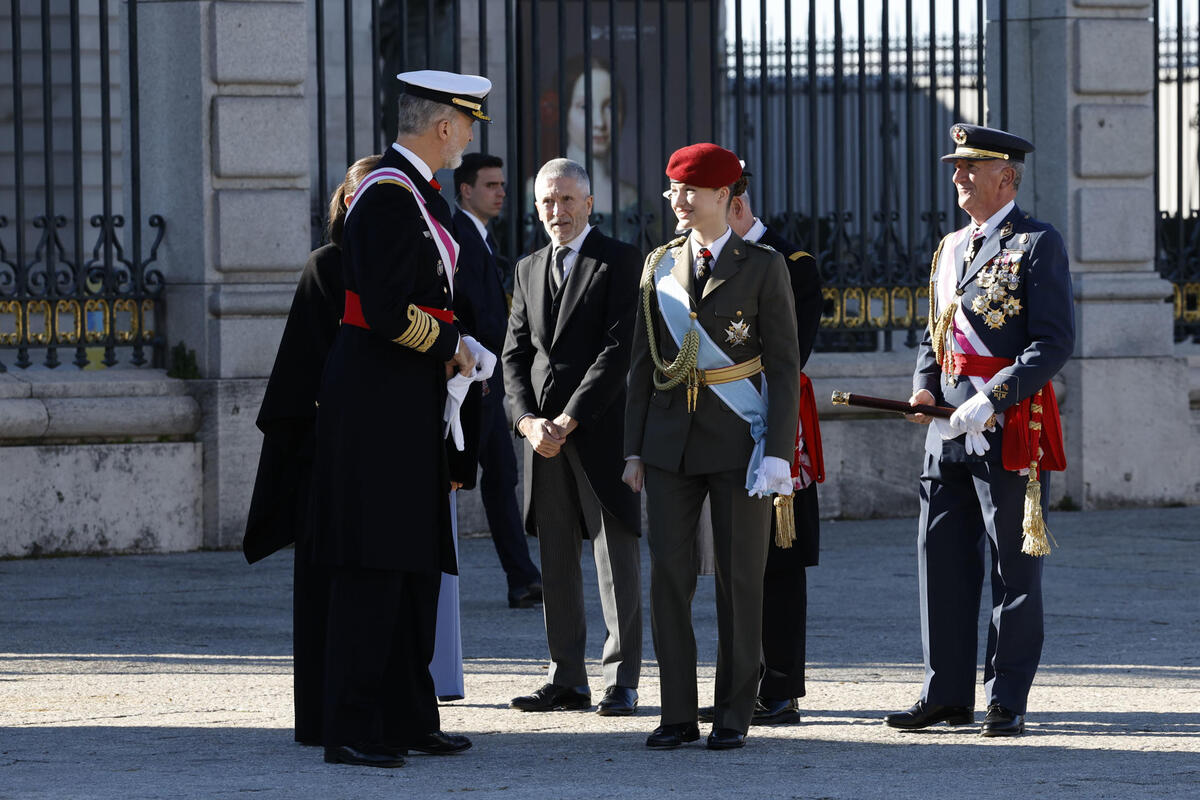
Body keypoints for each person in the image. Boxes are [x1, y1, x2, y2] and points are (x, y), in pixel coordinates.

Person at [308, 69, 491, 769]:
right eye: (466, 123)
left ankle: (410, 714)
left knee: (414, 564)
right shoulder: (387, 195)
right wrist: (452, 344)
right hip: (377, 406)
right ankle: (352, 726)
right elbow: (383, 311)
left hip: (406, 404)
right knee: (373, 567)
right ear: (444, 124)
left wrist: (457, 341)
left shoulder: (414, 193)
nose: (469, 136)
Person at [886, 123, 1073, 738]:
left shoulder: (1037, 243)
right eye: (957, 167)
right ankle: (944, 693)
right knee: (940, 559)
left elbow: (1052, 343)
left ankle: (1005, 697)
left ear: (1007, 177)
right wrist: (923, 388)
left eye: (971, 167)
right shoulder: (949, 248)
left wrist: (992, 398)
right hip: (946, 428)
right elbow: (934, 334)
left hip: (1008, 423)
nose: (958, 177)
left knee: (1014, 568)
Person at [623, 143, 801, 751]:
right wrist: (633, 449)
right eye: (673, 189)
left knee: (739, 580)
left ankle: (732, 713)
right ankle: (677, 712)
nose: (676, 200)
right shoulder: (657, 266)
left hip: (738, 441)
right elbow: (643, 365)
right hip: (670, 443)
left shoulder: (763, 266)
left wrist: (778, 451)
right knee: (670, 578)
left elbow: (782, 366)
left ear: (725, 197)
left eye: (688, 191)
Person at [242, 153, 379, 746]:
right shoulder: (330, 266)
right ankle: (323, 717)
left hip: (384, 449)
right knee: (328, 588)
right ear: (347, 204)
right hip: (331, 452)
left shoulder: (397, 264)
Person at [502, 157, 643, 718]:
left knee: (616, 558)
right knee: (556, 557)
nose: (556, 211)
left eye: (566, 200)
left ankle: (621, 679)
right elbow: (515, 354)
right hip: (543, 440)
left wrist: (570, 418)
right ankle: (567, 678)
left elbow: (619, 349)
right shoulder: (527, 267)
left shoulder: (619, 260)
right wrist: (527, 421)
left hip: (599, 432)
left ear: (589, 203)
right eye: (546, 202)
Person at [693, 171, 824, 727]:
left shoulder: (790, 264)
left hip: (772, 420)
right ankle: (741, 680)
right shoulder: (700, 258)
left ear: (735, 204)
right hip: (716, 426)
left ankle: (781, 684)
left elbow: (794, 353)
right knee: (734, 560)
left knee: (780, 560)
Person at [451, 152, 544, 609]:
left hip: (486, 380)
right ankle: (520, 576)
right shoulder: (460, 236)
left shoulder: (480, 237)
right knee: (471, 477)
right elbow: (469, 309)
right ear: (465, 190)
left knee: (502, 474)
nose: (501, 192)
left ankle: (522, 576)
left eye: (503, 184)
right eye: (491, 185)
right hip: (471, 378)